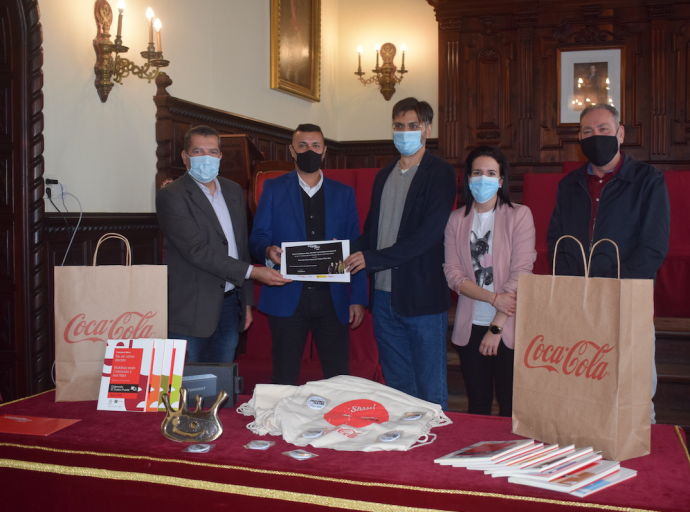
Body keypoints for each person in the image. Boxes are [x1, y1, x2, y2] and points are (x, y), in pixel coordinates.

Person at [547, 104, 670, 422]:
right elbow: (557, 241)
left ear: (620, 133)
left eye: (603, 129)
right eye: (587, 131)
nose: (595, 136)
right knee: (583, 389)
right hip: (578, 302)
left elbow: (653, 247)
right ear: (579, 138)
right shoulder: (568, 184)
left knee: (634, 391)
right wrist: (571, 289)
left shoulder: (648, 181)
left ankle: (641, 461)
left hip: (626, 300)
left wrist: (611, 289)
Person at [344, 98, 457, 409]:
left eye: (412, 126)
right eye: (399, 126)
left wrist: (373, 258)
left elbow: (428, 235)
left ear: (427, 129)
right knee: (397, 387)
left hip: (421, 295)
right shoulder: (384, 175)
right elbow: (371, 233)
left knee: (429, 388)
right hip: (383, 297)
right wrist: (332, 254)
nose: (404, 132)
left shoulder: (440, 173)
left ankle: (432, 450)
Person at [156, 125, 290, 364]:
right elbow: (196, 251)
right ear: (185, 157)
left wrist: (246, 302)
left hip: (229, 305)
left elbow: (240, 246)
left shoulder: (233, 190)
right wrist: (255, 273)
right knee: (187, 388)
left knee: (220, 385)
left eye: (212, 152)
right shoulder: (172, 195)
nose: (206, 158)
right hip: (190, 308)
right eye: (198, 152)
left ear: (220, 156)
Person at [249, 123, 367, 385]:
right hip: (287, 296)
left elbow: (356, 247)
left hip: (332, 299)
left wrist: (357, 297)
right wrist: (268, 251)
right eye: (302, 146)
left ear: (324, 151)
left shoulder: (344, 193)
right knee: (284, 376)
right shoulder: (273, 188)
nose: (309, 151)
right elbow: (257, 238)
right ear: (292, 150)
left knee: (338, 378)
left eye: (315, 146)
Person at [444, 146, 536, 417]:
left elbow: (522, 272)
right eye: (477, 172)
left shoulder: (520, 215)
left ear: (500, 180)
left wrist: (496, 326)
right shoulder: (455, 220)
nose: (483, 178)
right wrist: (493, 299)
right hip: (470, 324)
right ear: (467, 178)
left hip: (509, 325)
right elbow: (452, 273)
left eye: (491, 173)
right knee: (478, 404)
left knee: (511, 407)